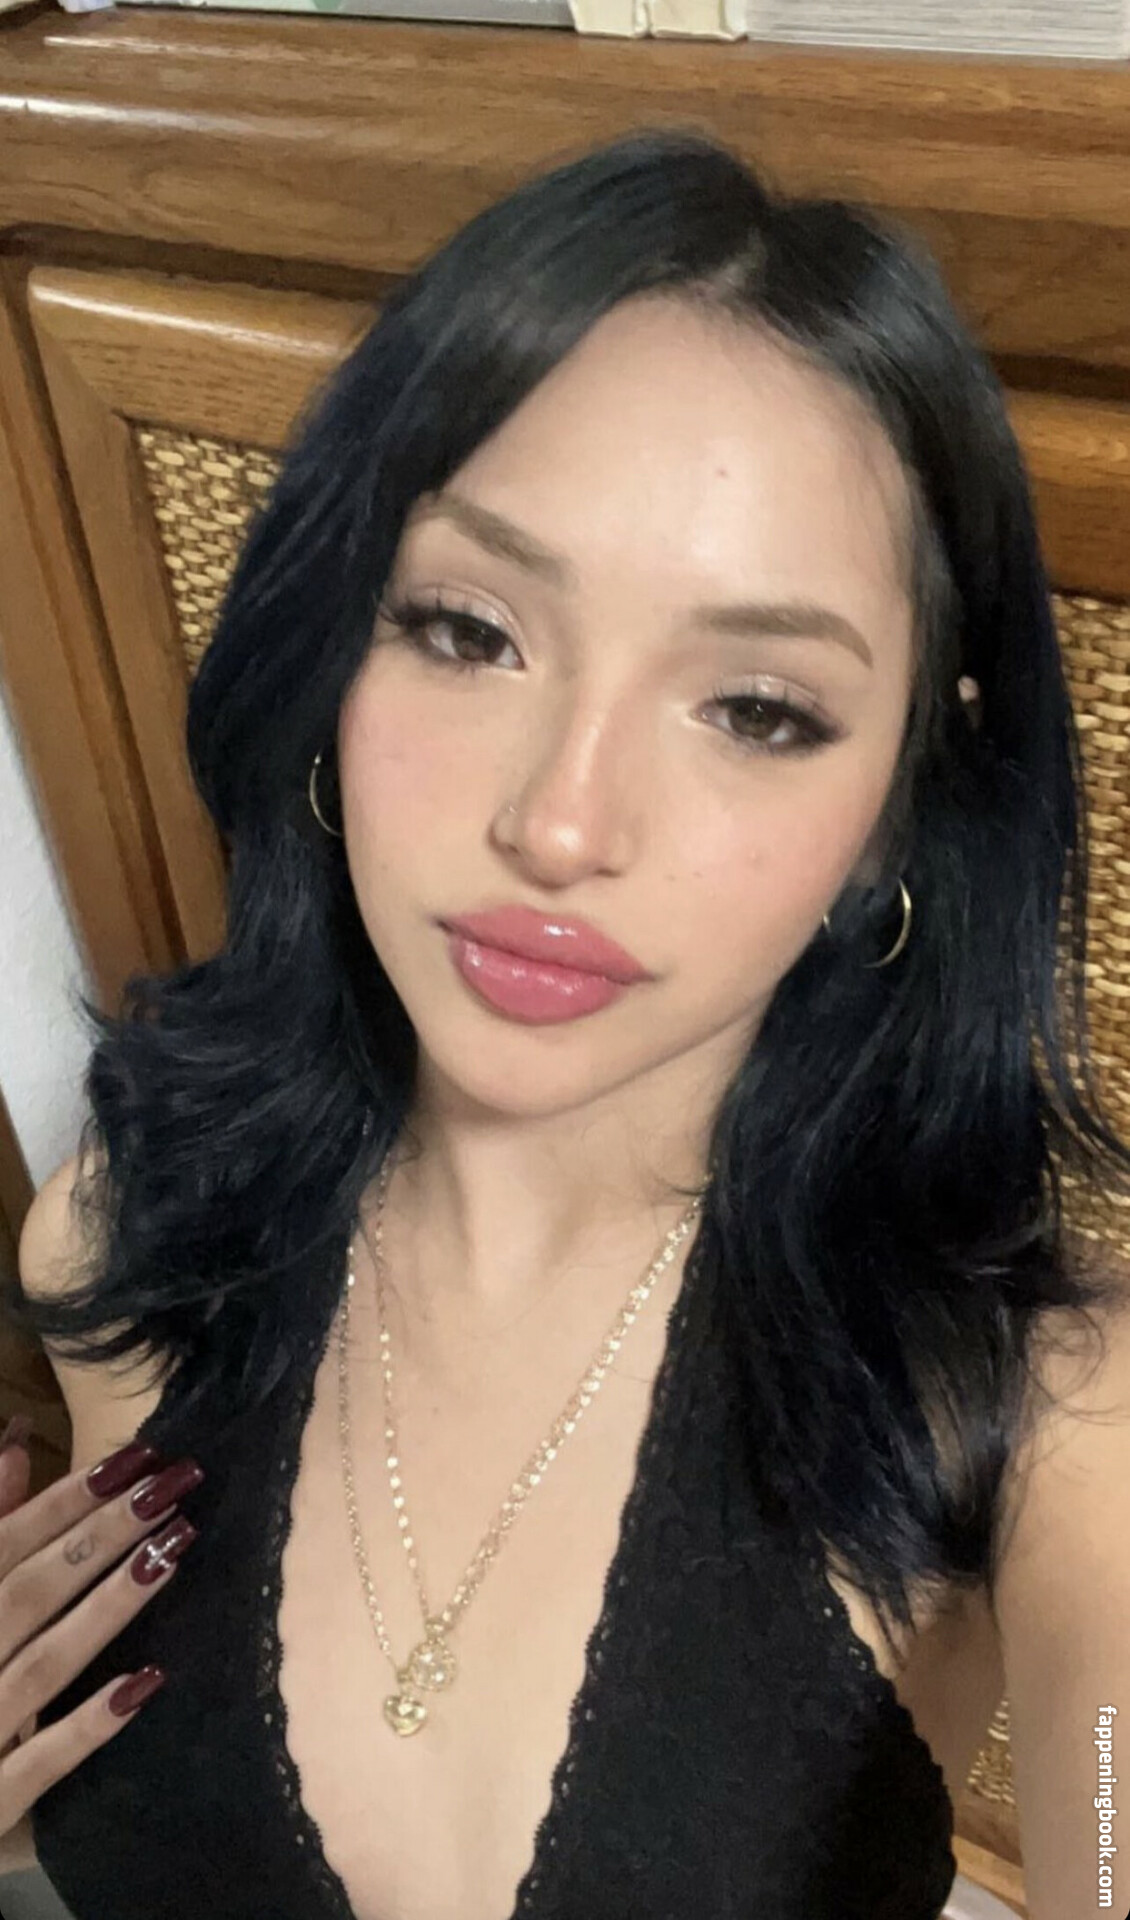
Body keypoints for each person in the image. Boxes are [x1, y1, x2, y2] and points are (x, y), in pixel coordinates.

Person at [1, 125, 1128, 1920]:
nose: (559, 824)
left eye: (757, 709)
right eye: (465, 630)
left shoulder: (1050, 1413)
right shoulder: (126, 1237)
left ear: (905, 803)